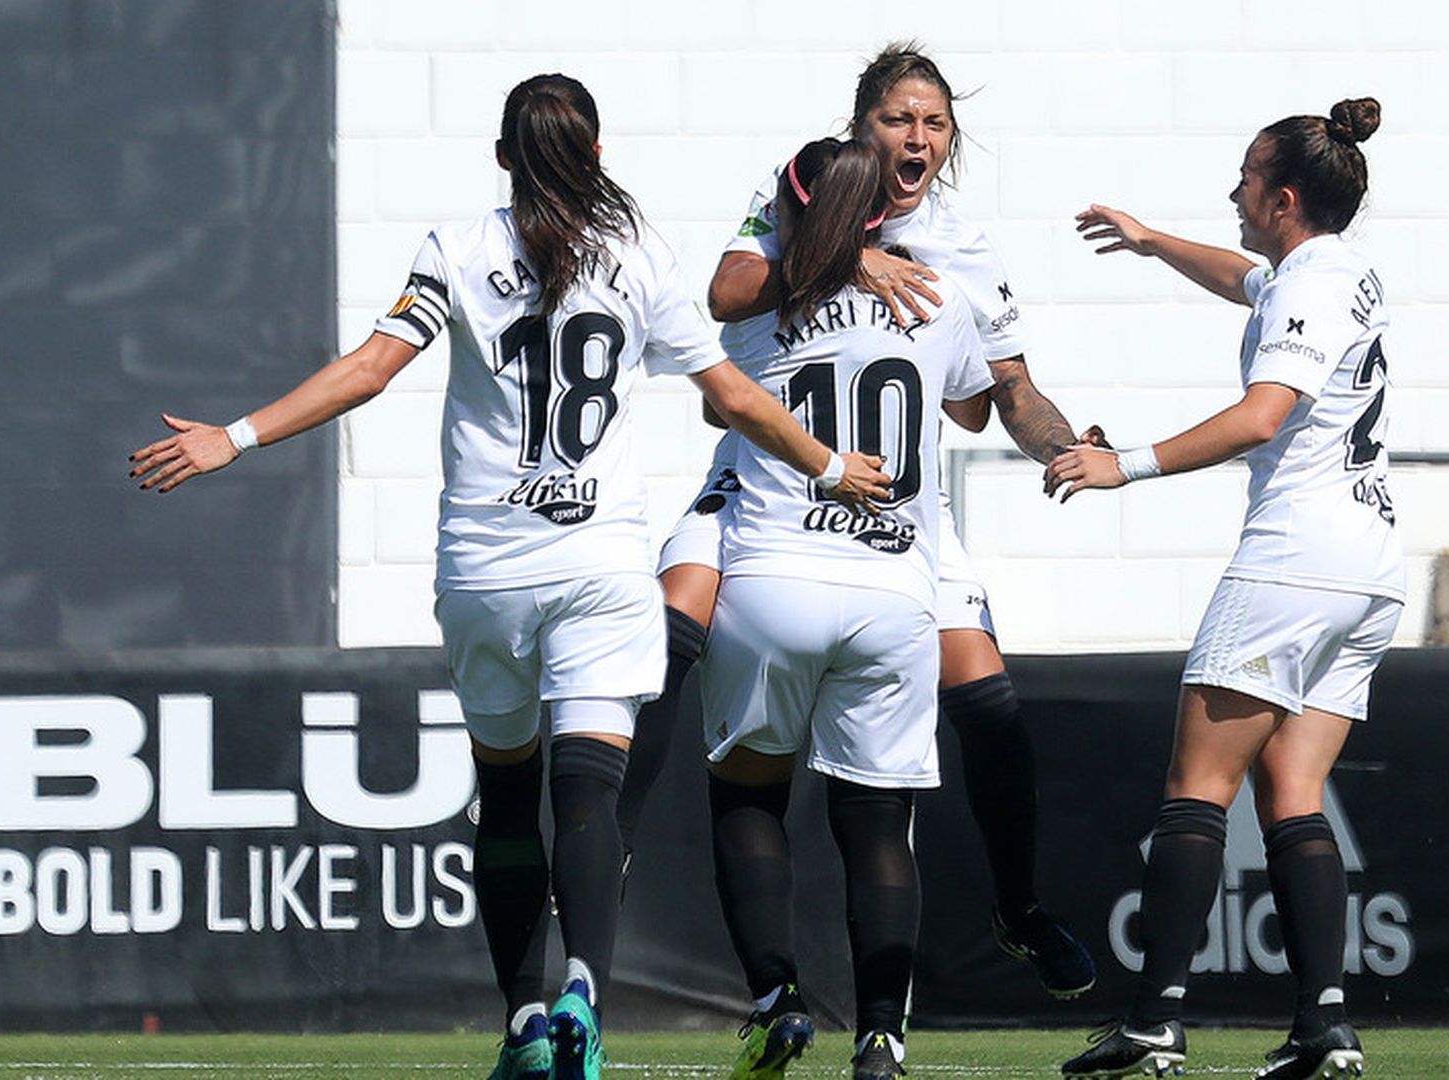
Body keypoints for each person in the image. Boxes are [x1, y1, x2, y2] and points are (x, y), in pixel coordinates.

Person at [128, 74, 887, 1080]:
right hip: (601, 566)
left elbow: (368, 369)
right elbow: (737, 396)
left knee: (507, 792)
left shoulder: (458, 247)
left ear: (502, 158)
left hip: (484, 566)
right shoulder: (642, 256)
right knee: (588, 794)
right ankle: (584, 994)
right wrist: (829, 462)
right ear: (599, 155)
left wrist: (236, 435)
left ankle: (525, 1022)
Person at [616, 41, 1098, 1001]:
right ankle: (605, 848)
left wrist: (1060, 450)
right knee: (674, 620)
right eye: (898, 120)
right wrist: (850, 252)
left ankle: (1018, 908)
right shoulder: (801, 189)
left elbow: (1005, 391)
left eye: (935, 125)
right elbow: (724, 294)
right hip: (769, 484)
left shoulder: (962, 248)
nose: (917, 139)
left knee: (991, 707)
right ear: (859, 126)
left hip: (897, 506)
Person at [1048, 98, 1399, 1080]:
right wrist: (1156, 242)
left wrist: (1131, 465)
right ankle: (1325, 1026)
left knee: (1197, 786)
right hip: (1371, 566)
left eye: (1246, 179)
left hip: (1298, 557)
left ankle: (1156, 1016)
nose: (1234, 193)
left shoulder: (1302, 291)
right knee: (1292, 788)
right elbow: (1250, 279)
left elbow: (1261, 416)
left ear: (1283, 197)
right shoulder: (1340, 273)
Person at [698, 133, 995, 1080]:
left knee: (750, 798)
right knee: (875, 827)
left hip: (774, 576)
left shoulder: (765, 305)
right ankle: (881, 1035)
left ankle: (778, 999)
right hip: (893, 591)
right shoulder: (938, 298)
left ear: (792, 213)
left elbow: (723, 404)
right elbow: (977, 410)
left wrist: (813, 274)